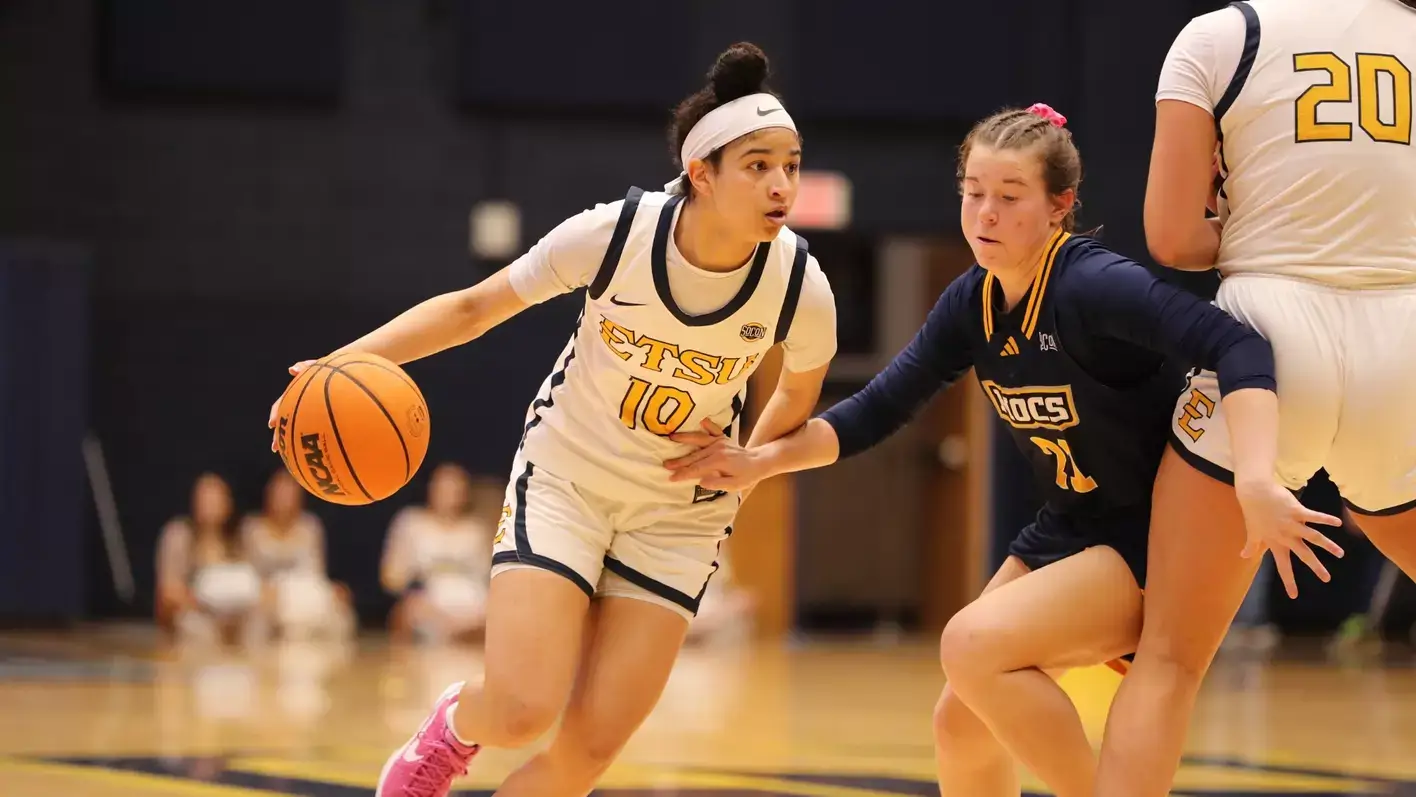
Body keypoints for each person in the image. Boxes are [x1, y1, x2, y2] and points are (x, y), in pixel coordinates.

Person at [662, 102, 1325, 797]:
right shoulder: (970, 302)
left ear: (1058, 206)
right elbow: (882, 405)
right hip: (1070, 524)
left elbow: (1238, 343)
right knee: (961, 719)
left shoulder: (1091, 285)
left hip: (1148, 533)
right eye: (973, 193)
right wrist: (759, 461)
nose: (985, 213)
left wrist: (1253, 475)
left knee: (970, 644)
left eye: (1009, 198)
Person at [265, 42, 838, 797]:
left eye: (791, 165)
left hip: (679, 514)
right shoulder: (617, 235)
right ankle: (446, 733)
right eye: (759, 165)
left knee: (590, 749)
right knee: (520, 708)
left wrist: (749, 461)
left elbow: (799, 393)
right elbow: (474, 309)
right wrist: (341, 363)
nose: (782, 184)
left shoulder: (800, 283)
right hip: (569, 475)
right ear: (702, 173)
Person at [1092, 1, 1416, 793]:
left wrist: (1258, 229)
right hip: (1406, 335)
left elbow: (1173, 239)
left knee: (1166, 659)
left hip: (1268, 336)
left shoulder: (1219, 35)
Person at [380, 462, 495, 644]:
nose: (449, 493)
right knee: (409, 612)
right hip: (429, 602)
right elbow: (391, 578)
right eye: (443, 486)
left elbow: (491, 578)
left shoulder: (476, 530)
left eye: (455, 487)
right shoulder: (411, 522)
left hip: (474, 604)